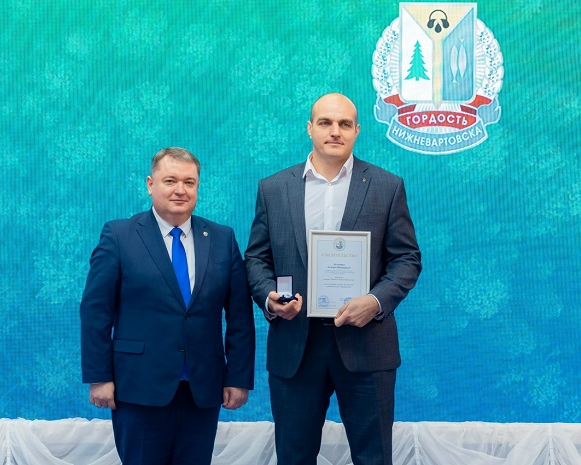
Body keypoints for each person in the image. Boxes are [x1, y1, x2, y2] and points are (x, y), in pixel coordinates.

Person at [245, 93, 421, 465]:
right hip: (296, 344)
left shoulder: (387, 186)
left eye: (345, 124)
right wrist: (269, 297)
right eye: (325, 122)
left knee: (374, 458)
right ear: (310, 128)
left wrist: (375, 302)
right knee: (293, 458)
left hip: (367, 343)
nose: (335, 131)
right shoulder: (273, 188)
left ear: (357, 130)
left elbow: (406, 259)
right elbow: (257, 257)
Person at [80, 147, 255, 465]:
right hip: (138, 388)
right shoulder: (119, 235)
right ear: (150, 184)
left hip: (202, 390)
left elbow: (240, 316)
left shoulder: (222, 238)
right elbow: (95, 311)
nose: (180, 190)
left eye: (189, 182)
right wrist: (99, 376)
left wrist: (238, 377)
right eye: (170, 180)